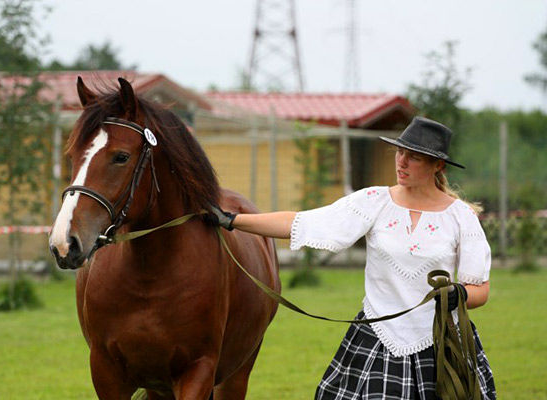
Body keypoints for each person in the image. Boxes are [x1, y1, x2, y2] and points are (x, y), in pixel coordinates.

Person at [209, 116, 497, 399]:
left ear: (438, 165)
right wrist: (233, 220)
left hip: (440, 343)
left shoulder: (461, 218)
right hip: (377, 337)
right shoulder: (374, 201)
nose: (402, 162)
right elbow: (301, 222)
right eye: (400, 152)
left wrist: (456, 294)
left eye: (414, 157)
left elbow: (480, 290)